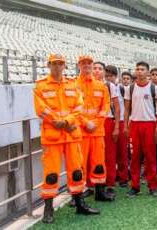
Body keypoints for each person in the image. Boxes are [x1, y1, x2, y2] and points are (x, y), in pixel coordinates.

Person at [35, 54, 99, 224]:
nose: (57, 67)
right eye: (54, 64)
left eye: (60, 64)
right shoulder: (40, 86)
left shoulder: (72, 84)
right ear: (49, 65)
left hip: (71, 136)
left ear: (64, 66)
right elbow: (41, 110)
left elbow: (79, 107)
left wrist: (67, 122)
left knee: (77, 171)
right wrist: (63, 123)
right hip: (53, 137)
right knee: (51, 175)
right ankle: (48, 209)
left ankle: (79, 204)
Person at [124, 61, 157, 197]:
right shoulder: (130, 88)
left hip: (149, 124)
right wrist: (125, 127)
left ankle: (153, 186)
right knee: (134, 157)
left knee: (150, 157)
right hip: (134, 125)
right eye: (137, 69)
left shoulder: (154, 88)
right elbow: (126, 110)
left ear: (147, 72)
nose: (139, 71)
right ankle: (135, 186)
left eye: (142, 69)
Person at [76, 57, 114, 201]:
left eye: (89, 64)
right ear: (79, 65)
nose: (87, 66)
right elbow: (72, 108)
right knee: (79, 165)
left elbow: (105, 107)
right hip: (80, 132)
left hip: (97, 132)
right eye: (83, 63)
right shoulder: (73, 85)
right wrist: (86, 123)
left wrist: (95, 123)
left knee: (99, 163)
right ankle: (77, 196)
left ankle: (100, 192)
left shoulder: (101, 86)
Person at [104, 65, 129, 195]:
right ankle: (111, 179)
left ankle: (123, 177)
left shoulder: (122, 89)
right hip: (110, 121)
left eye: (111, 76)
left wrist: (125, 124)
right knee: (110, 153)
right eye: (107, 76)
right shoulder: (105, 87)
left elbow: (126, 106)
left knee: (122, 151)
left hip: (121, 121)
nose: (109, 78)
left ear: (116, 76)